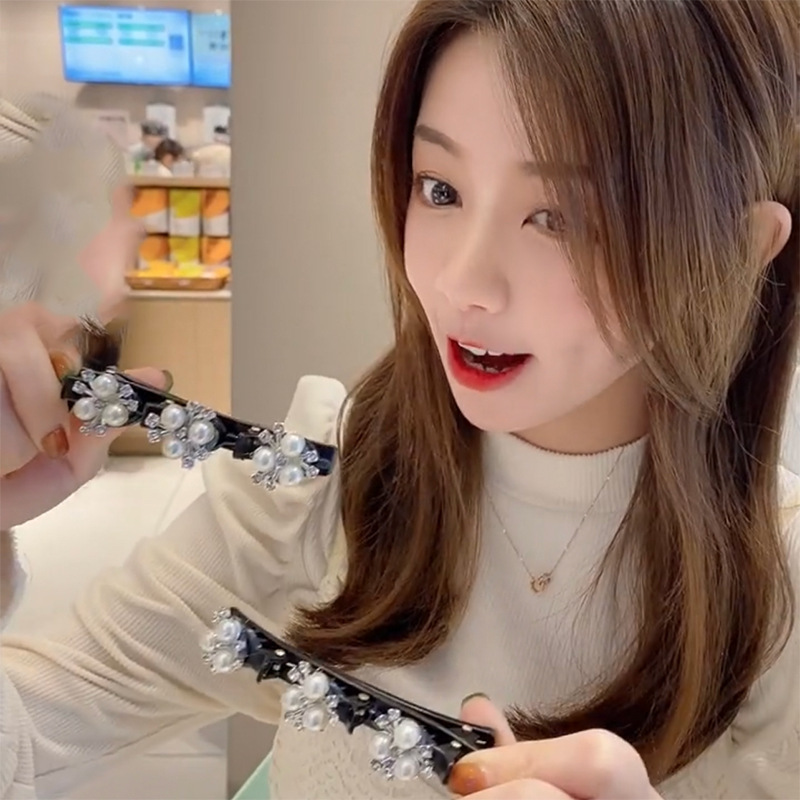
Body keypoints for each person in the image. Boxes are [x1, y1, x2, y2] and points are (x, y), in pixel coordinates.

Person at [2, 1, 799, 799]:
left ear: (738, 249)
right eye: (440, 189)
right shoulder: (317, 492)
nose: (461, 282)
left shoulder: (781, 598)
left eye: (561, 217)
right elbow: (32, 727)